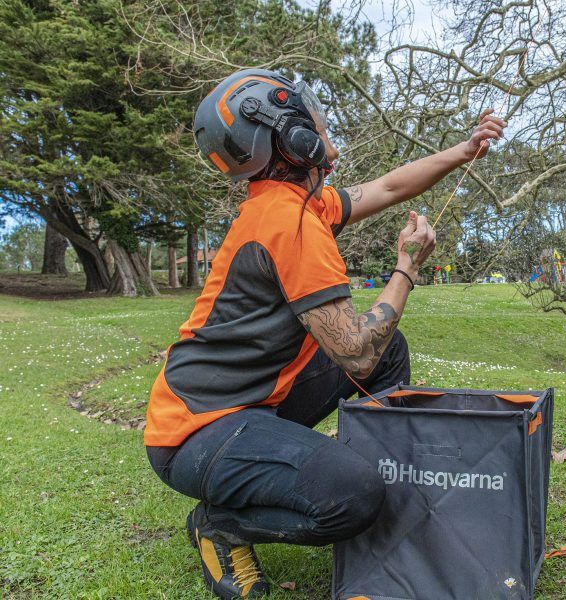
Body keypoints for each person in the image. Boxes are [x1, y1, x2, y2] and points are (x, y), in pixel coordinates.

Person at [143, 68, 505, 599]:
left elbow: (388, 186)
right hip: (195, 433)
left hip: (256, 404)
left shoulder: (299, 203)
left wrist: (464, 149)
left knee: (392, 354)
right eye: (312, 112)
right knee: (353, 495)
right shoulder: (288, 225)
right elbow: (356, 355)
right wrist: (406, 268)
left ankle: (368, 465)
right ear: (294, 136)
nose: (322, 118)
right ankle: (221, 525)